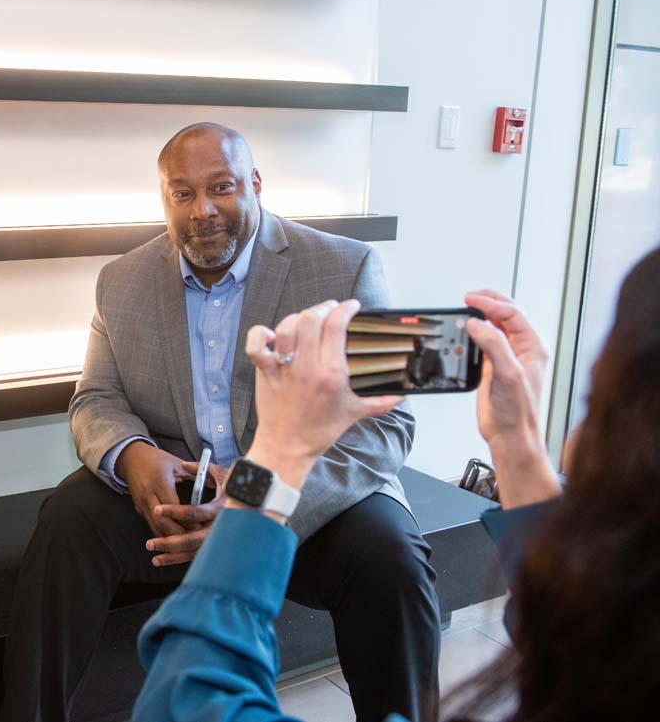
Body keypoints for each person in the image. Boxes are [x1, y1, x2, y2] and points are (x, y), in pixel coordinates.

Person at [0, 123, 440, 722]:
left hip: (303, 495)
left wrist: (259, 500)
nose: (202, 210)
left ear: (256, 184)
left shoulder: (350, 267)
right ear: (163, 200)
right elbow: (95, 398)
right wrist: (133, 455)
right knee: (67, 521)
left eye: (222, 187)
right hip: (179, 496)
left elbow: (388, 427)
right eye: (182, 194)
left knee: (393, 556)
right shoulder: (120, 281)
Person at [133, 247, 660, 721]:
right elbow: (583, 639)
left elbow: (185, 694)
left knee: (392, 553)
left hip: (314, 501)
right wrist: (516, 443)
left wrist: (277, 452)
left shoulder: (345, 260)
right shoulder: (617, 669)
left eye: (592, 408)